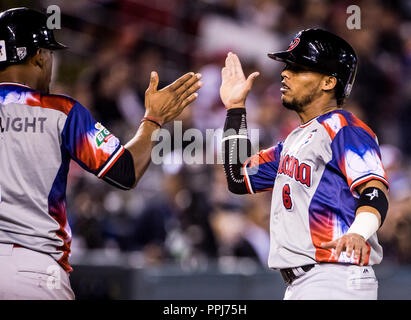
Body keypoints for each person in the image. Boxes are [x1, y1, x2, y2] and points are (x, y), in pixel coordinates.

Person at [0, 7, 202, 299]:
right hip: (32, 270)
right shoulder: (61, 111)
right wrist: (153, 120)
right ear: (38, 56)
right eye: (49, 54)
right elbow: (125, 171)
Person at [220, 28, 389, 300]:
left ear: (328, 82)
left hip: (335, 277)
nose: (285, 73)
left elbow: (374, 190)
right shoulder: (293, 142)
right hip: (305, 283)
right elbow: (238, 178)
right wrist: (236, 107)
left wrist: (359, 232)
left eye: (298, 68)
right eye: (287, 66)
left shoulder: (344, 127)